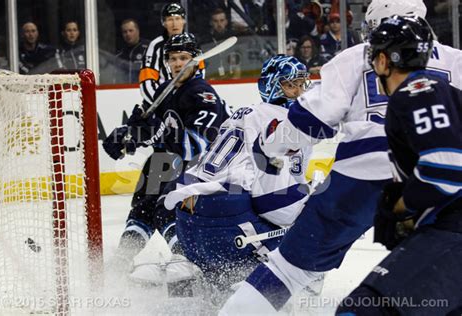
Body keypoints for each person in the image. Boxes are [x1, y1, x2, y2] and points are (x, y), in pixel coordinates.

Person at [220, 0, 462, 313]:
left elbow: (314, 119)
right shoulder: (456, 60)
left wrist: (273, 146)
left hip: (360, 175)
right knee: (433, 275)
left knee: (288, 268)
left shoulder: (357, 56)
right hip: (442, 183)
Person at [337, 15, 462, 316]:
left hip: (453, 231)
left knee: (362, 310)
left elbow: (446, 168)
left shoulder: (417, 91)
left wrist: (400, 207)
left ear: (382, 60)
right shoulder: (448, 93)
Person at [164, 55, 313, 288]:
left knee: (217, 284)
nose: (299, 91)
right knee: (312, 231)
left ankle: (199, 281)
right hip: (226, 222)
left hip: (187, 220)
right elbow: (274, 203)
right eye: (290, 85)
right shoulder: (287, 123)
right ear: (272, 85)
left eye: (302, 84)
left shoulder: (244, 112)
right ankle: (283, 288)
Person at [103, 32, 230, 271]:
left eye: (183, 58)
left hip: (196, 166)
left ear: (194, 61)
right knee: (142, 210)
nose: (178, 63)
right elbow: (150, 127)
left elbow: (197, 144)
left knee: (166, 210)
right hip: (164, 161)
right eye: (173, 58)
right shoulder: (165, 90)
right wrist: (128, 135)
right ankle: (122, 259)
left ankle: (187, 260)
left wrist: (155, 133)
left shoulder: (202, 94)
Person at [139, 2, 186, 107]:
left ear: (184, 21)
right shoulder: (155, 46)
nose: (174, 24)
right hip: (162, 104)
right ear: (163, 23)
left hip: (186, 102)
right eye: (170, 19)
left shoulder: (193, 43)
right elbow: (147, 82)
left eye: (178, 18)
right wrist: (161, 105)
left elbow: (199, 75)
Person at [115, 18, 149, 83]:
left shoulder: (149, 48)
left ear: (138, 31)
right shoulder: (120, 55)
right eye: (125, 32)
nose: (128, 34)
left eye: (131, 31)